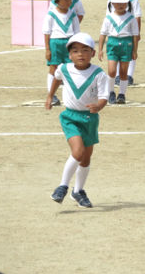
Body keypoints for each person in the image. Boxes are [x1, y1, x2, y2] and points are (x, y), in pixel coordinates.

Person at [46, 33, 109, 208]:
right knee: (78, 151)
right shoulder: (64, 68)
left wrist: (99, 106)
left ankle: (78, 191)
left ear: (93, 53)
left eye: (84, 50)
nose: (80, 54)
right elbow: (57, 79)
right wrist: (50, 96)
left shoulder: (98, 74)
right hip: (70, 117)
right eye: (75, 51)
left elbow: (104, 96)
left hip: (90, 119)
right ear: (69, 55)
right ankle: (63, 186)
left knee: (86, 159)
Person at [99, 0, 139, 105]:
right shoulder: (109, 17)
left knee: (123, 71)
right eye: (117, 3)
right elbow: (103, 34)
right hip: (113, 44)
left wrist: (135, 50)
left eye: (123, 3)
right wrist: (100, 49)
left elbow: (135, 35)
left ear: (127, 3)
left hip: (127, 44)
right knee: (111, 71)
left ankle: (122, 94)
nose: (121, 5)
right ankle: (111, 92)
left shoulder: (131, 18)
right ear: (112, 3)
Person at [42, 0, 80, 107]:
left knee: (71, 68)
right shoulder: (51, 15)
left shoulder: (72, 14)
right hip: (55, 43)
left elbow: (76, 32)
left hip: (69, 43)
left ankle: (71, 95)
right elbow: (46, 33)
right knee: (53, 68)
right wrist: (48, 49)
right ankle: (51, 94)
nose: (69, 1)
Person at [110, 0, 141, 86]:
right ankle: (118, 75)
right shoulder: (111, 0)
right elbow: (109, 16)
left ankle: (129, 75)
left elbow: (137, 16)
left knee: (130, 53)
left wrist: (137, 33)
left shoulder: (133, 0)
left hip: (129, 31)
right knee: (116, 53)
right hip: (116, 32)